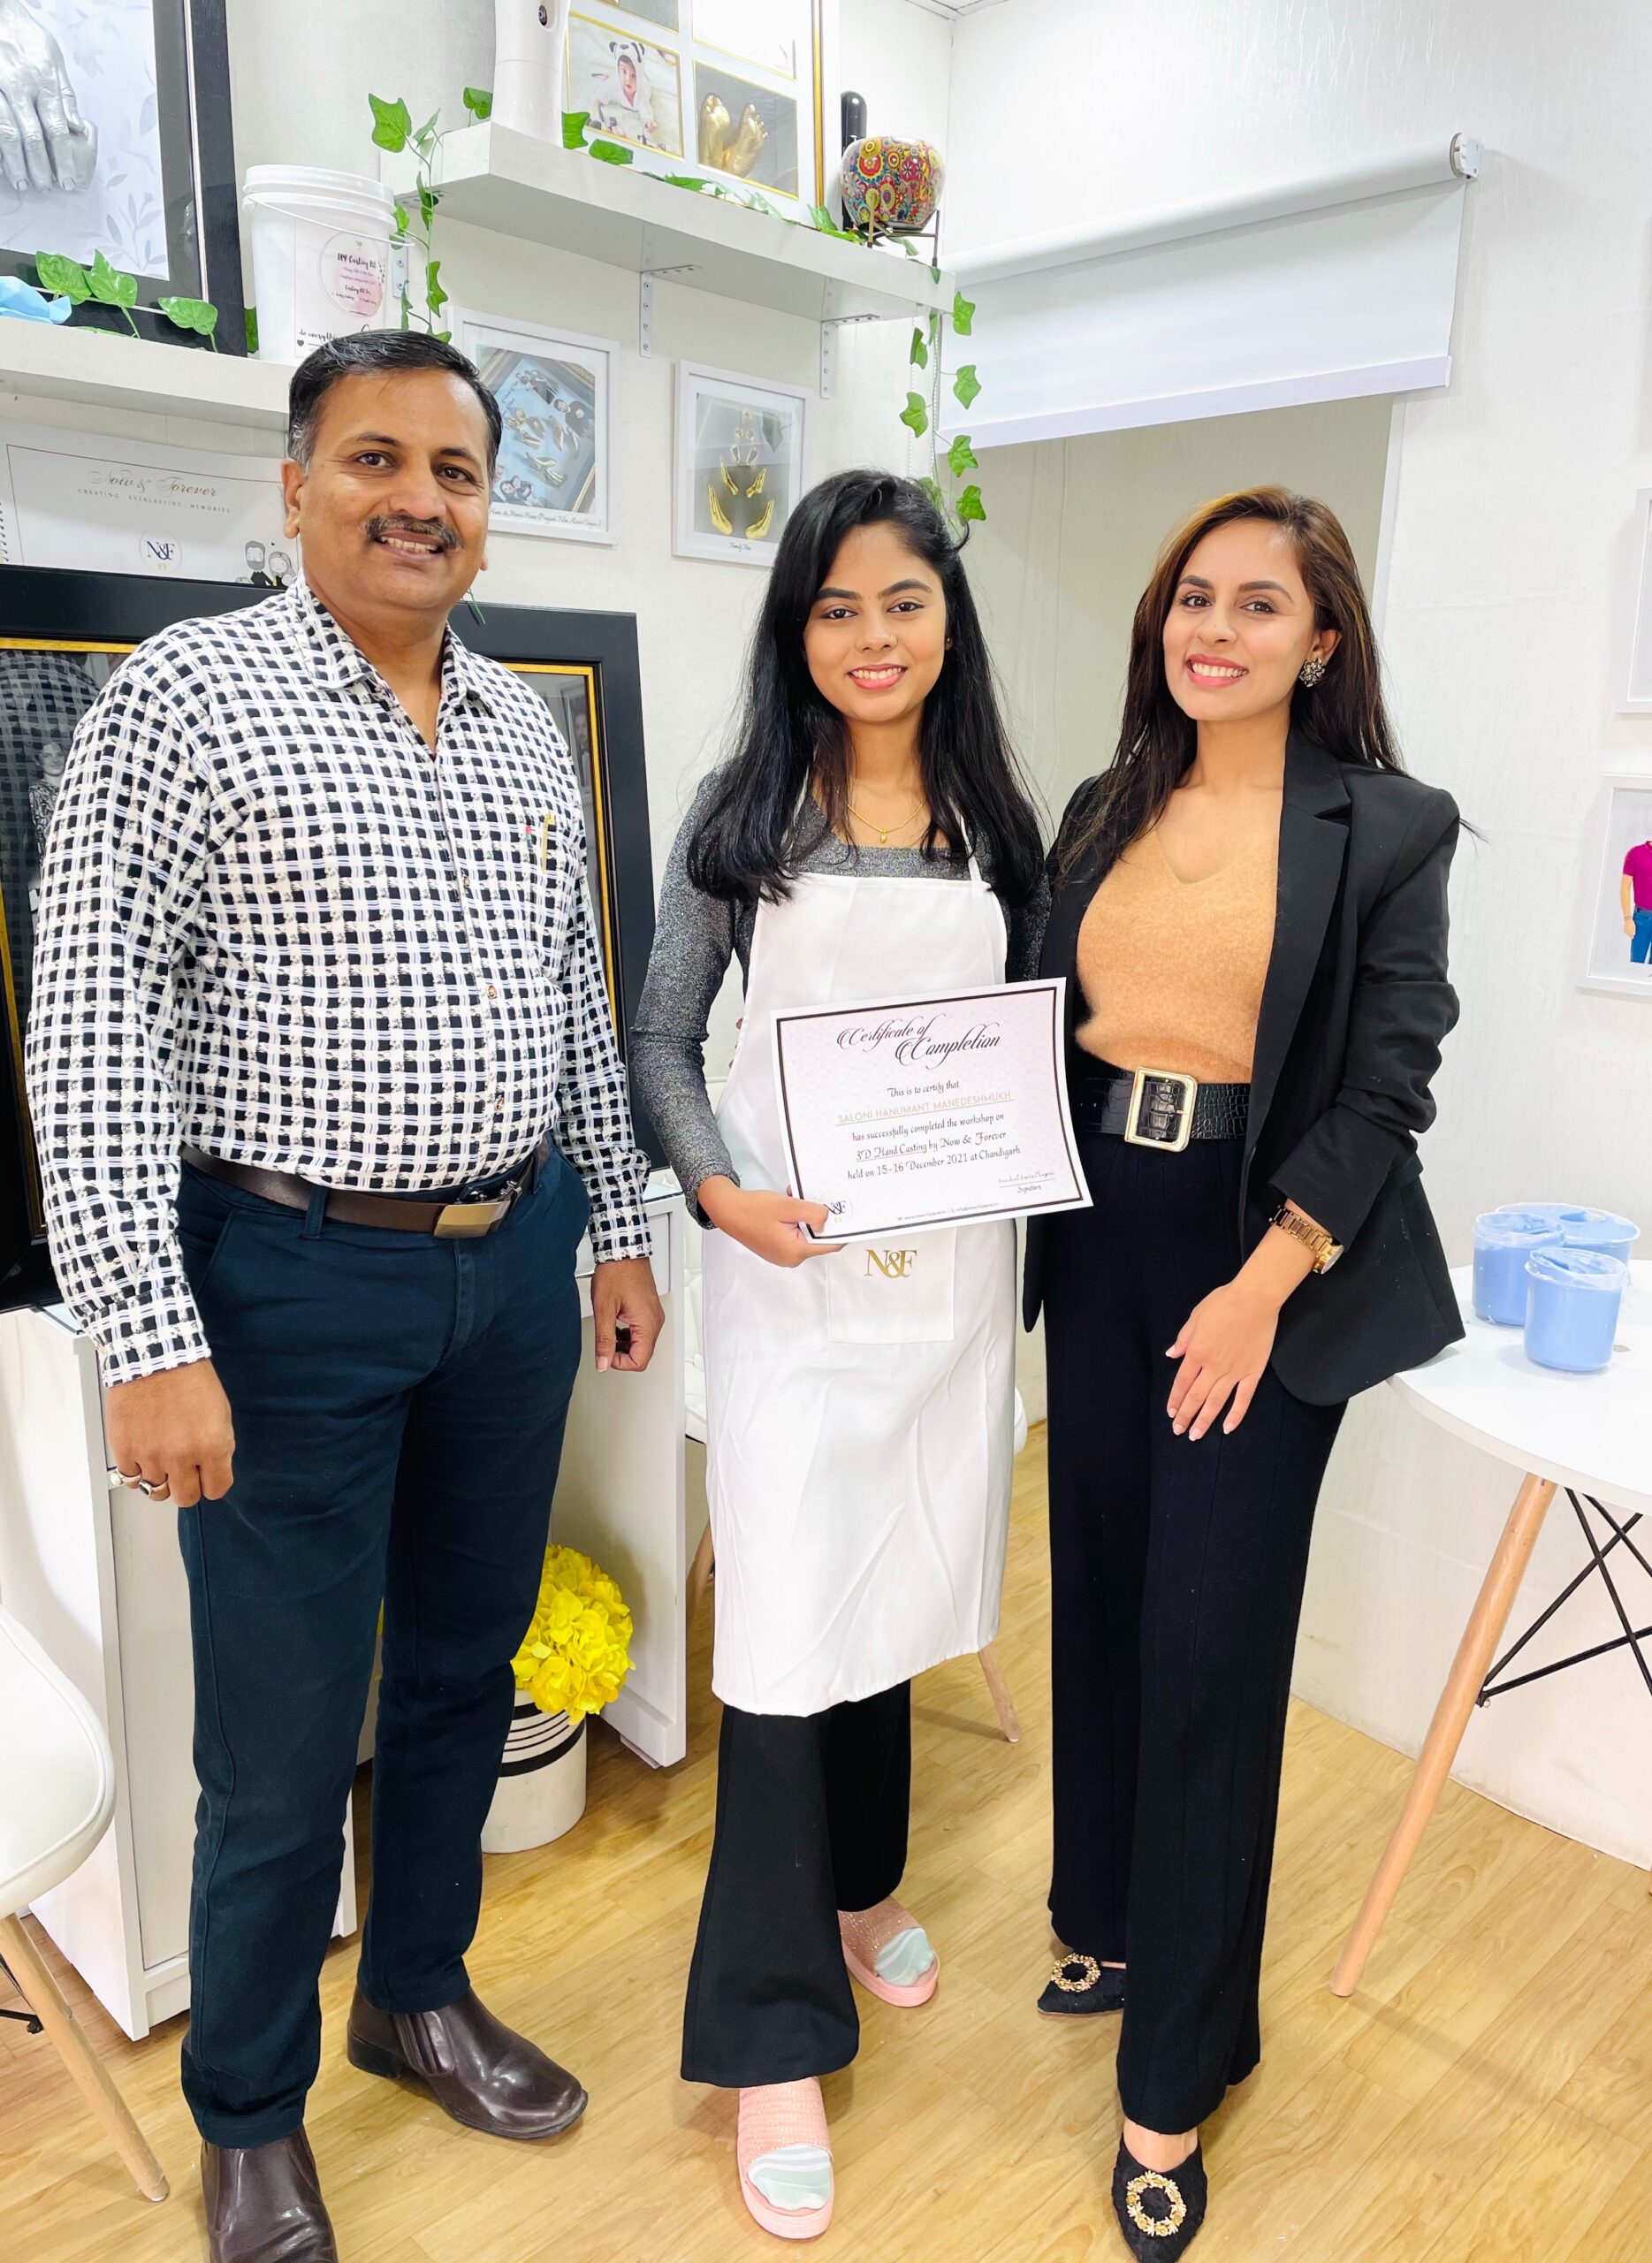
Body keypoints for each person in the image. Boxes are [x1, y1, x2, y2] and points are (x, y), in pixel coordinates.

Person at [26, 329, 664, 2263]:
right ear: (295, 483)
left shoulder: (522, 728)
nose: (418, 499)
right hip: (286, 1280)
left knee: (464, 1668)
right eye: (375, 458)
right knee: (284, 1734)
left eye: (454, 470)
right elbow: (91, 1032)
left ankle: (417, 1994)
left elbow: (571, 996)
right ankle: (248, 2109)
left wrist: (613, 1222)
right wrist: (145, 1334)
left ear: (487, 509)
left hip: (512, 1269)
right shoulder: (181, 698)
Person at [1024, 487, 1462, 2259]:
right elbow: (1034, 1029)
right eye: (1190, 598)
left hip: (1261, 1251)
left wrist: (1259, 1284)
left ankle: (1173, 2078)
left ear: (1320, 638)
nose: (1212, 629)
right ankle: (1111, 1923)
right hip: (1097, 1226)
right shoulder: (1103, 803)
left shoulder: (1385, 828)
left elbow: (1385, 1083)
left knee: (1204, 1652)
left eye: (1256, 604)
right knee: (1102, 1592)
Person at [631, 469, 1047, 2241]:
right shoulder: (741, 815)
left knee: (887, 1596)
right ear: (792, 629)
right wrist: (718, 1189)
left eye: (901, 601)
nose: (870, 637)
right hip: (790, 1286)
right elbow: (661, 1038)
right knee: (789, 1628)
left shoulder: (999, 822)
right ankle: (769, 2038)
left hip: (944, 1286)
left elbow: (1038, 1042)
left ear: (947, 617)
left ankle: (862, 1887)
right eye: (833, 607)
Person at [1621, 832, 1652, 965]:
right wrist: (1627, 919)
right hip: (1642, 918)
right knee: (1636, 964)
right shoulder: (1636, 853)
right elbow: (1624, 887)